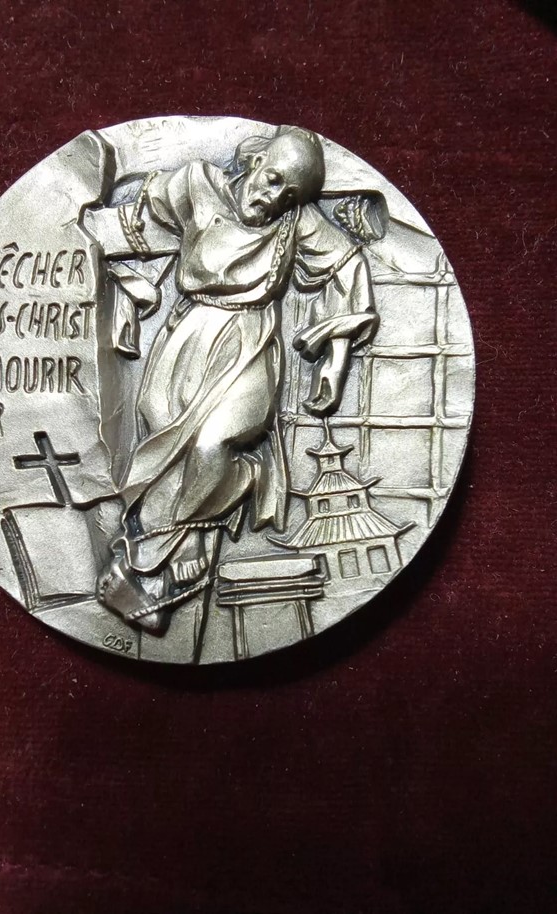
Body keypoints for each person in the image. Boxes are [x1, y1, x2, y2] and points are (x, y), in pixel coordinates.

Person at [87, 126, 379, 633]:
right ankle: (175, 559)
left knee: (213, 441)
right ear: (256, 160)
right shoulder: (197, 183)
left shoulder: (296, 221)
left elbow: (348, 267)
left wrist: (335, 360)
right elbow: (136, 208)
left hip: (248, 341)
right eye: (273, 179)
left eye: (290, 194)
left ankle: (155, 552)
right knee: (164, 438)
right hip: (187, 336)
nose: (274, 198)